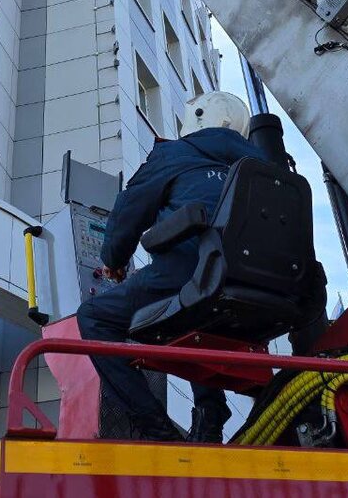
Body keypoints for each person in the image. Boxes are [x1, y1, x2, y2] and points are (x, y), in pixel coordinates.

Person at [76, 91, 266, 443]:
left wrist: (114, 261)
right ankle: (210, 415)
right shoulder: (266, 166)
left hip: (194, 274)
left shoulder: (173, 154)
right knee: (193, 315)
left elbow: (128, 214)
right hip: (256, 291)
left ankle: (155, 428)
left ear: (197, 117)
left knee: (95, 316)